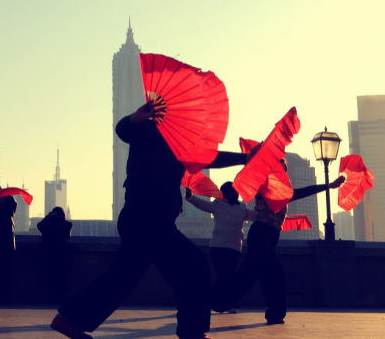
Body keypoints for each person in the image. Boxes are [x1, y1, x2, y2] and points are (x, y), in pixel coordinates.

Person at [51, 100, 251, 339]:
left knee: (123, 277)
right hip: (147, 219)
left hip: (149, 221)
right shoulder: (150, 130)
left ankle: (69, 319)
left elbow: (209, 157)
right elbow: (123, 131)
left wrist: (245, 158)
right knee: (194, 268)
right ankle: (192, 332)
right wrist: (134, 118)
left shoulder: (181, 144)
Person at [219, 162, 345, 324]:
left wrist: (329, 185)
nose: (282, 173)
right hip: (261, 236)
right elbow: (297, 193)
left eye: (284, 170)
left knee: (266, 275)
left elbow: (296, 194)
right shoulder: (264, 186)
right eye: (278, 169)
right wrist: (328, 185)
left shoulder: (281, 190)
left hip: (268, 236)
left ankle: (272, 313)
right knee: (256, 275)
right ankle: (217, 300)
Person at [183, 182, 255, 313]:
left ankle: (216, 303)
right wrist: (191, 197)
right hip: (219, 247)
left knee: (228, 277)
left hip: (234, 247)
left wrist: (270, 209)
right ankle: (224, 303)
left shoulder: (242, 208)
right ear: (227, 193)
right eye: (234, 191)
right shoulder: (218, 204)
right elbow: (203, 204)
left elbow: (255, 215)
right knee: (224, 276)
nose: (236, 194)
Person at [37, 206, 73, 304]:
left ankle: (52, 298)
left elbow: (40, 225)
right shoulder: (65, 224)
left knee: (52, 279)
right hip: (62, 256)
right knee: (60, 280)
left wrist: (49, 217)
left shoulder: (52, 225)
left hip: (50, 255)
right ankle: (58, 298)